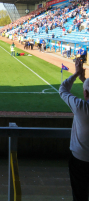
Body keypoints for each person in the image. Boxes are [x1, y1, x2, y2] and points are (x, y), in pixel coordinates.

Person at [59, 58, 89, 201]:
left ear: (85, 93)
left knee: (79, 194)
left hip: (80, 160)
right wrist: (85, 80)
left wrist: (77, 74)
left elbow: (63, 89)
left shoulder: (81, 107)